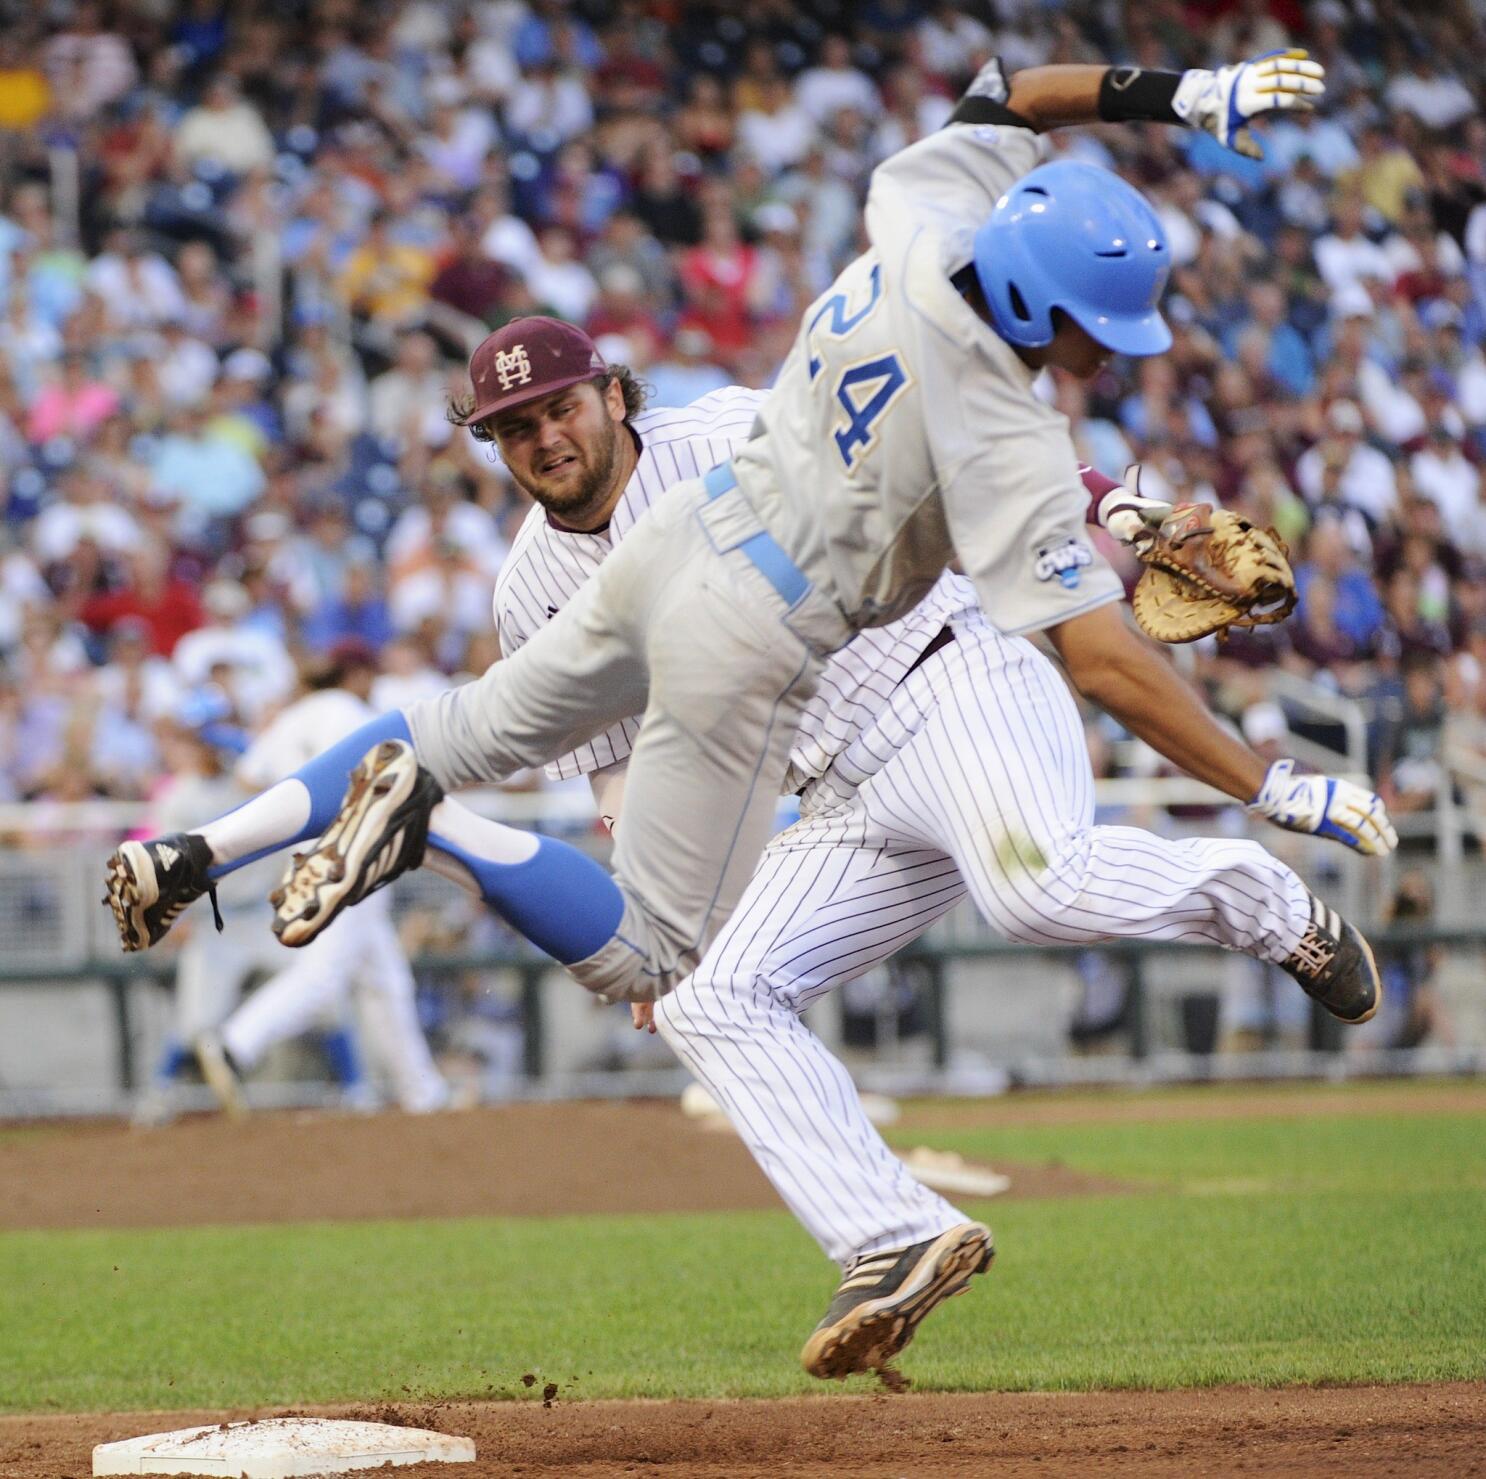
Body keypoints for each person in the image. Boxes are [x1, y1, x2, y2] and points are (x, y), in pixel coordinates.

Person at [106, 51, 1391, 1365]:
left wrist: (1122, 505)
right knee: (714, 1000)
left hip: (943, 676)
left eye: (556, 405)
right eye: (510, 426)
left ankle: (1269, 905)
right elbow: (618, 776)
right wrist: (652, 912)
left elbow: (959, 413)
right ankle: (890, 1237)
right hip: (834, 787)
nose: (540, 436)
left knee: (1031, 887)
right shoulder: (532, 591)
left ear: (611, 391)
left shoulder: (718, 434)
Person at [193, 641, 451, 1117]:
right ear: (351, 675)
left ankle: (422, 1092)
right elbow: (379, 774)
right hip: (354, 850)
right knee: (325, 977)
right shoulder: (348, 708)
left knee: (384, 977)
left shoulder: (291, 718)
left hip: (309, 857)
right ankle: (235, 1043)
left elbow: (249, 778)